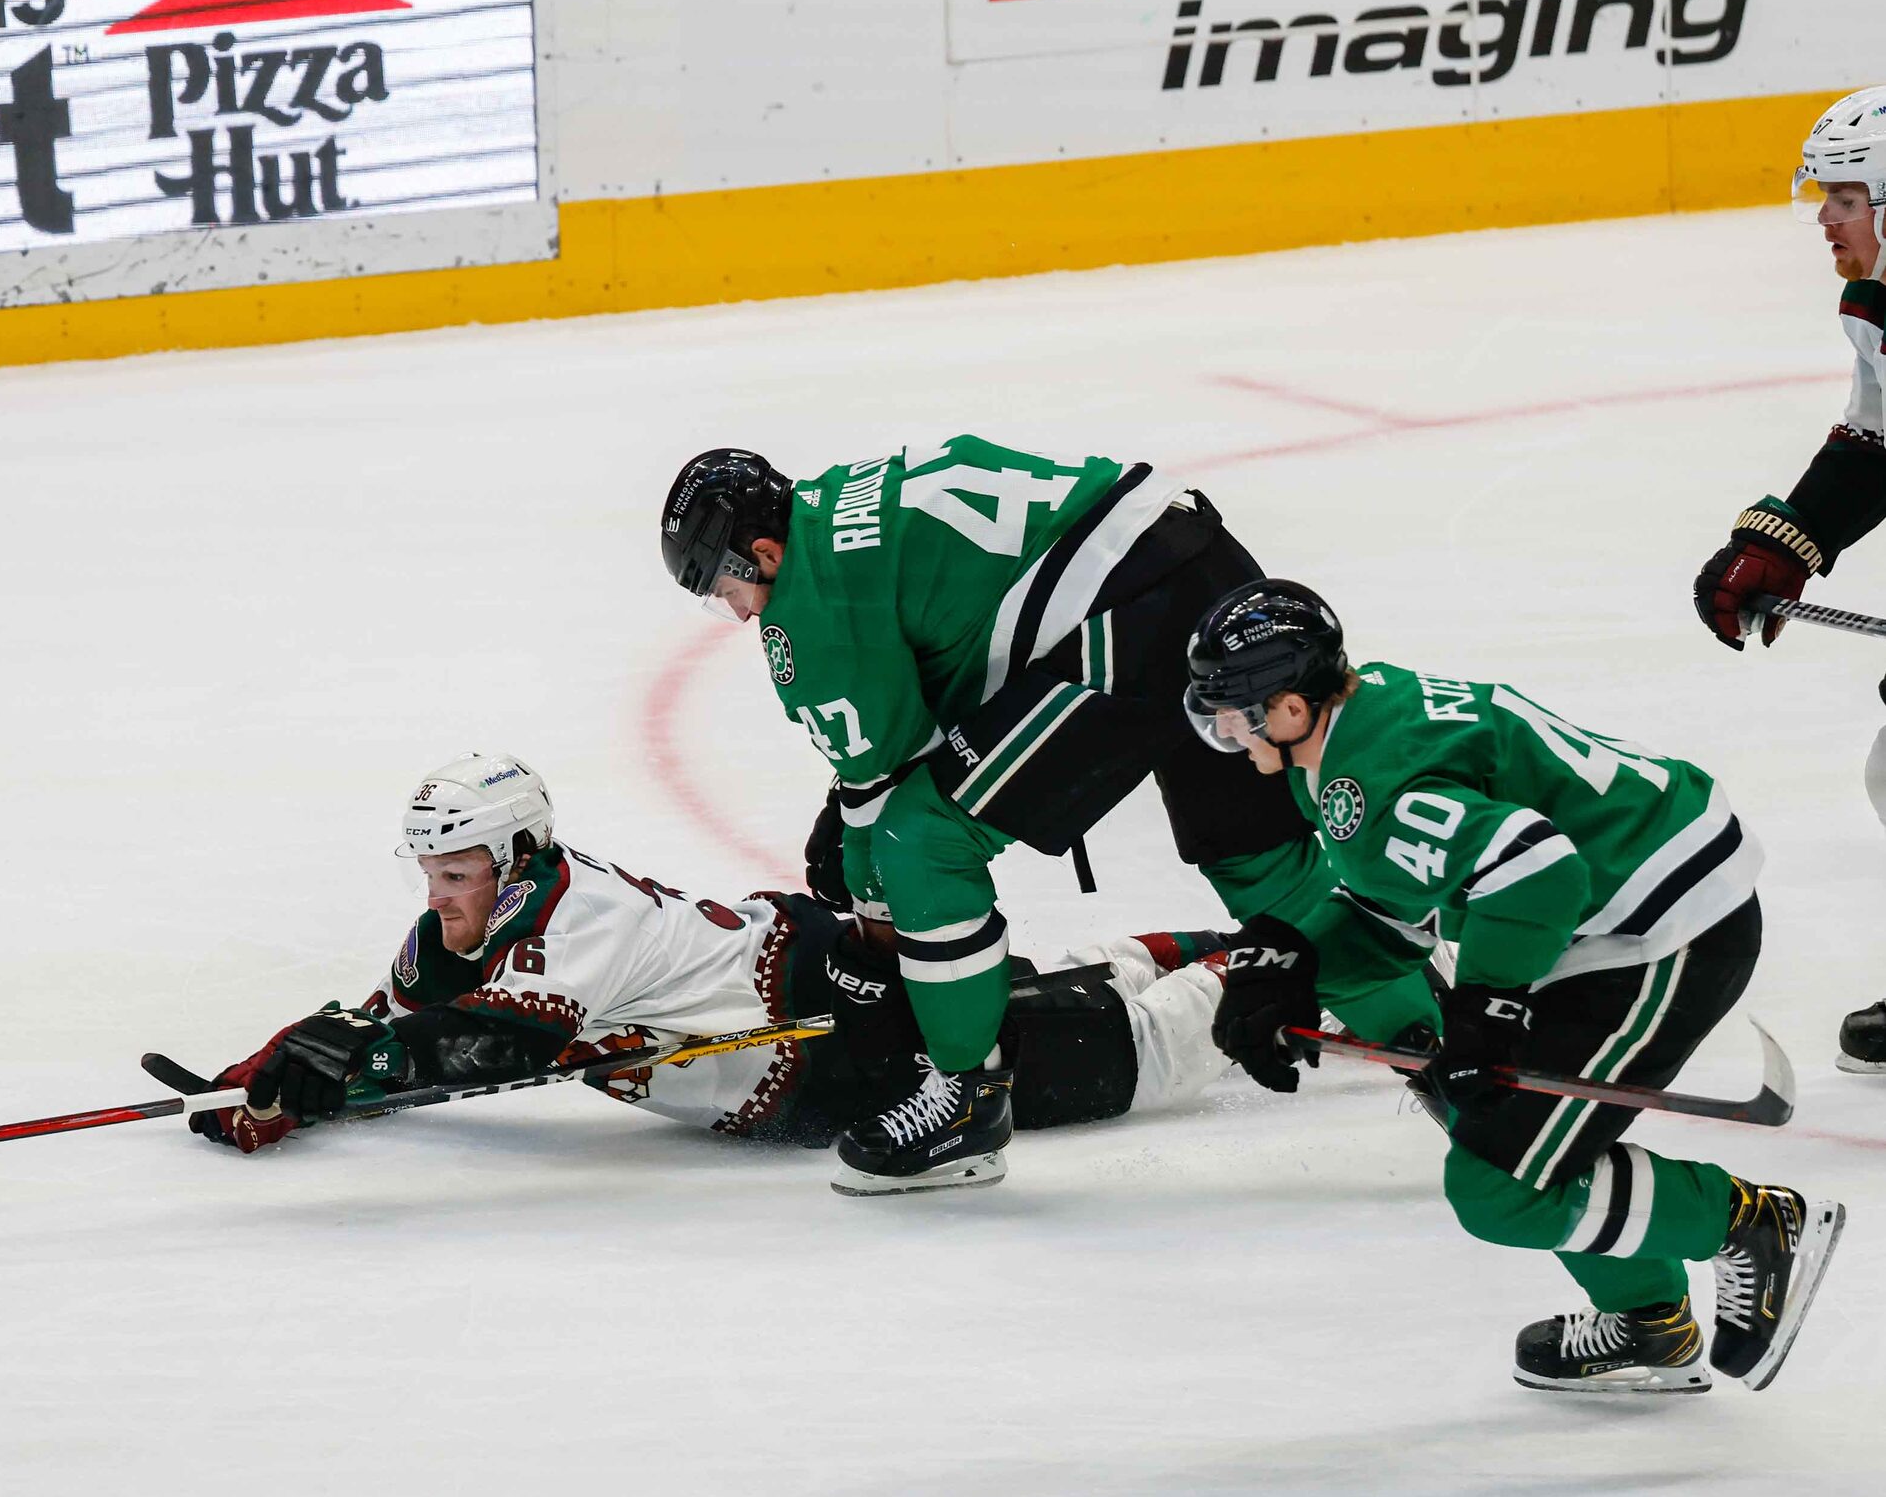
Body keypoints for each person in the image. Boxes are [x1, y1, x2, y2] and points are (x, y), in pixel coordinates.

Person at [655, 440, 1439, 1194]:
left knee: (918, 839)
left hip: (1125, 624)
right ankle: (1452, 1055)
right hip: (1204, 577)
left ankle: (965, 1102)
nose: (742, 612)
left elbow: (891, 787)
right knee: (1259, 861)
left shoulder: (814, 600)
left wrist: (864, 882)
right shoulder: (840, 500)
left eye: (729, 592)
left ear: (761, 553)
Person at [1190, 579, 1846, 1394]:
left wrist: (1488, 1010)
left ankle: (1749, 1223)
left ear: (1290, 709)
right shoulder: (1359, 719)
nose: (1222, 731)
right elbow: (1406, 899)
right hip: (1618, 907)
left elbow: (1536, 869)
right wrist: (1293, 963)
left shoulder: (1369, 778)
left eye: (1232, 713)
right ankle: (1650, 1320)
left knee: (1500, 1188)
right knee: (1516, 1136)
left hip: (1664, 930)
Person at [188, 753, 1242, 1181]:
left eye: (457, 871)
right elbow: (407, 1026)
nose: (437, 894)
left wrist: (355, 1068)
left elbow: (484, 1045)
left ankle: (1299, 970)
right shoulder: (456, 938)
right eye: (428, 871)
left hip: (824, 1026)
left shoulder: (575, 917)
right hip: (803, 1002)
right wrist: (303, 1076)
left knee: (1103, 1055)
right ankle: (1189, 955)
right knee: (1018, 1005)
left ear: (515, 859)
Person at [1689, 85, 1886, 1070]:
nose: (1822, 219)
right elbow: (1871, 444)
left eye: (1841, 198)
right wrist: (1791, 536)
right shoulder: (1876, 307)